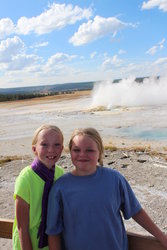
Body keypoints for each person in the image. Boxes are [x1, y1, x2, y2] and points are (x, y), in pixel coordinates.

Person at [46, 127, 167, 250]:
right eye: (76, 150)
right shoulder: (60, 187)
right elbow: (53, 231)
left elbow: (136, 211)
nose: (82, 154)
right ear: (70, 152)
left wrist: (162, 238)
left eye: (90, 150)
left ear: (100, 153)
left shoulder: (114, 179)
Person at [12, 124, 64, 250]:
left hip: (52, 243)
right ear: (34, 149)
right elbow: (22, 227)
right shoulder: (26, 178)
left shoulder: (60, 174)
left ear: (62, 149)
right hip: (28, 243)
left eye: (56, 145)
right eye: (44, 145)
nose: (51, 150)